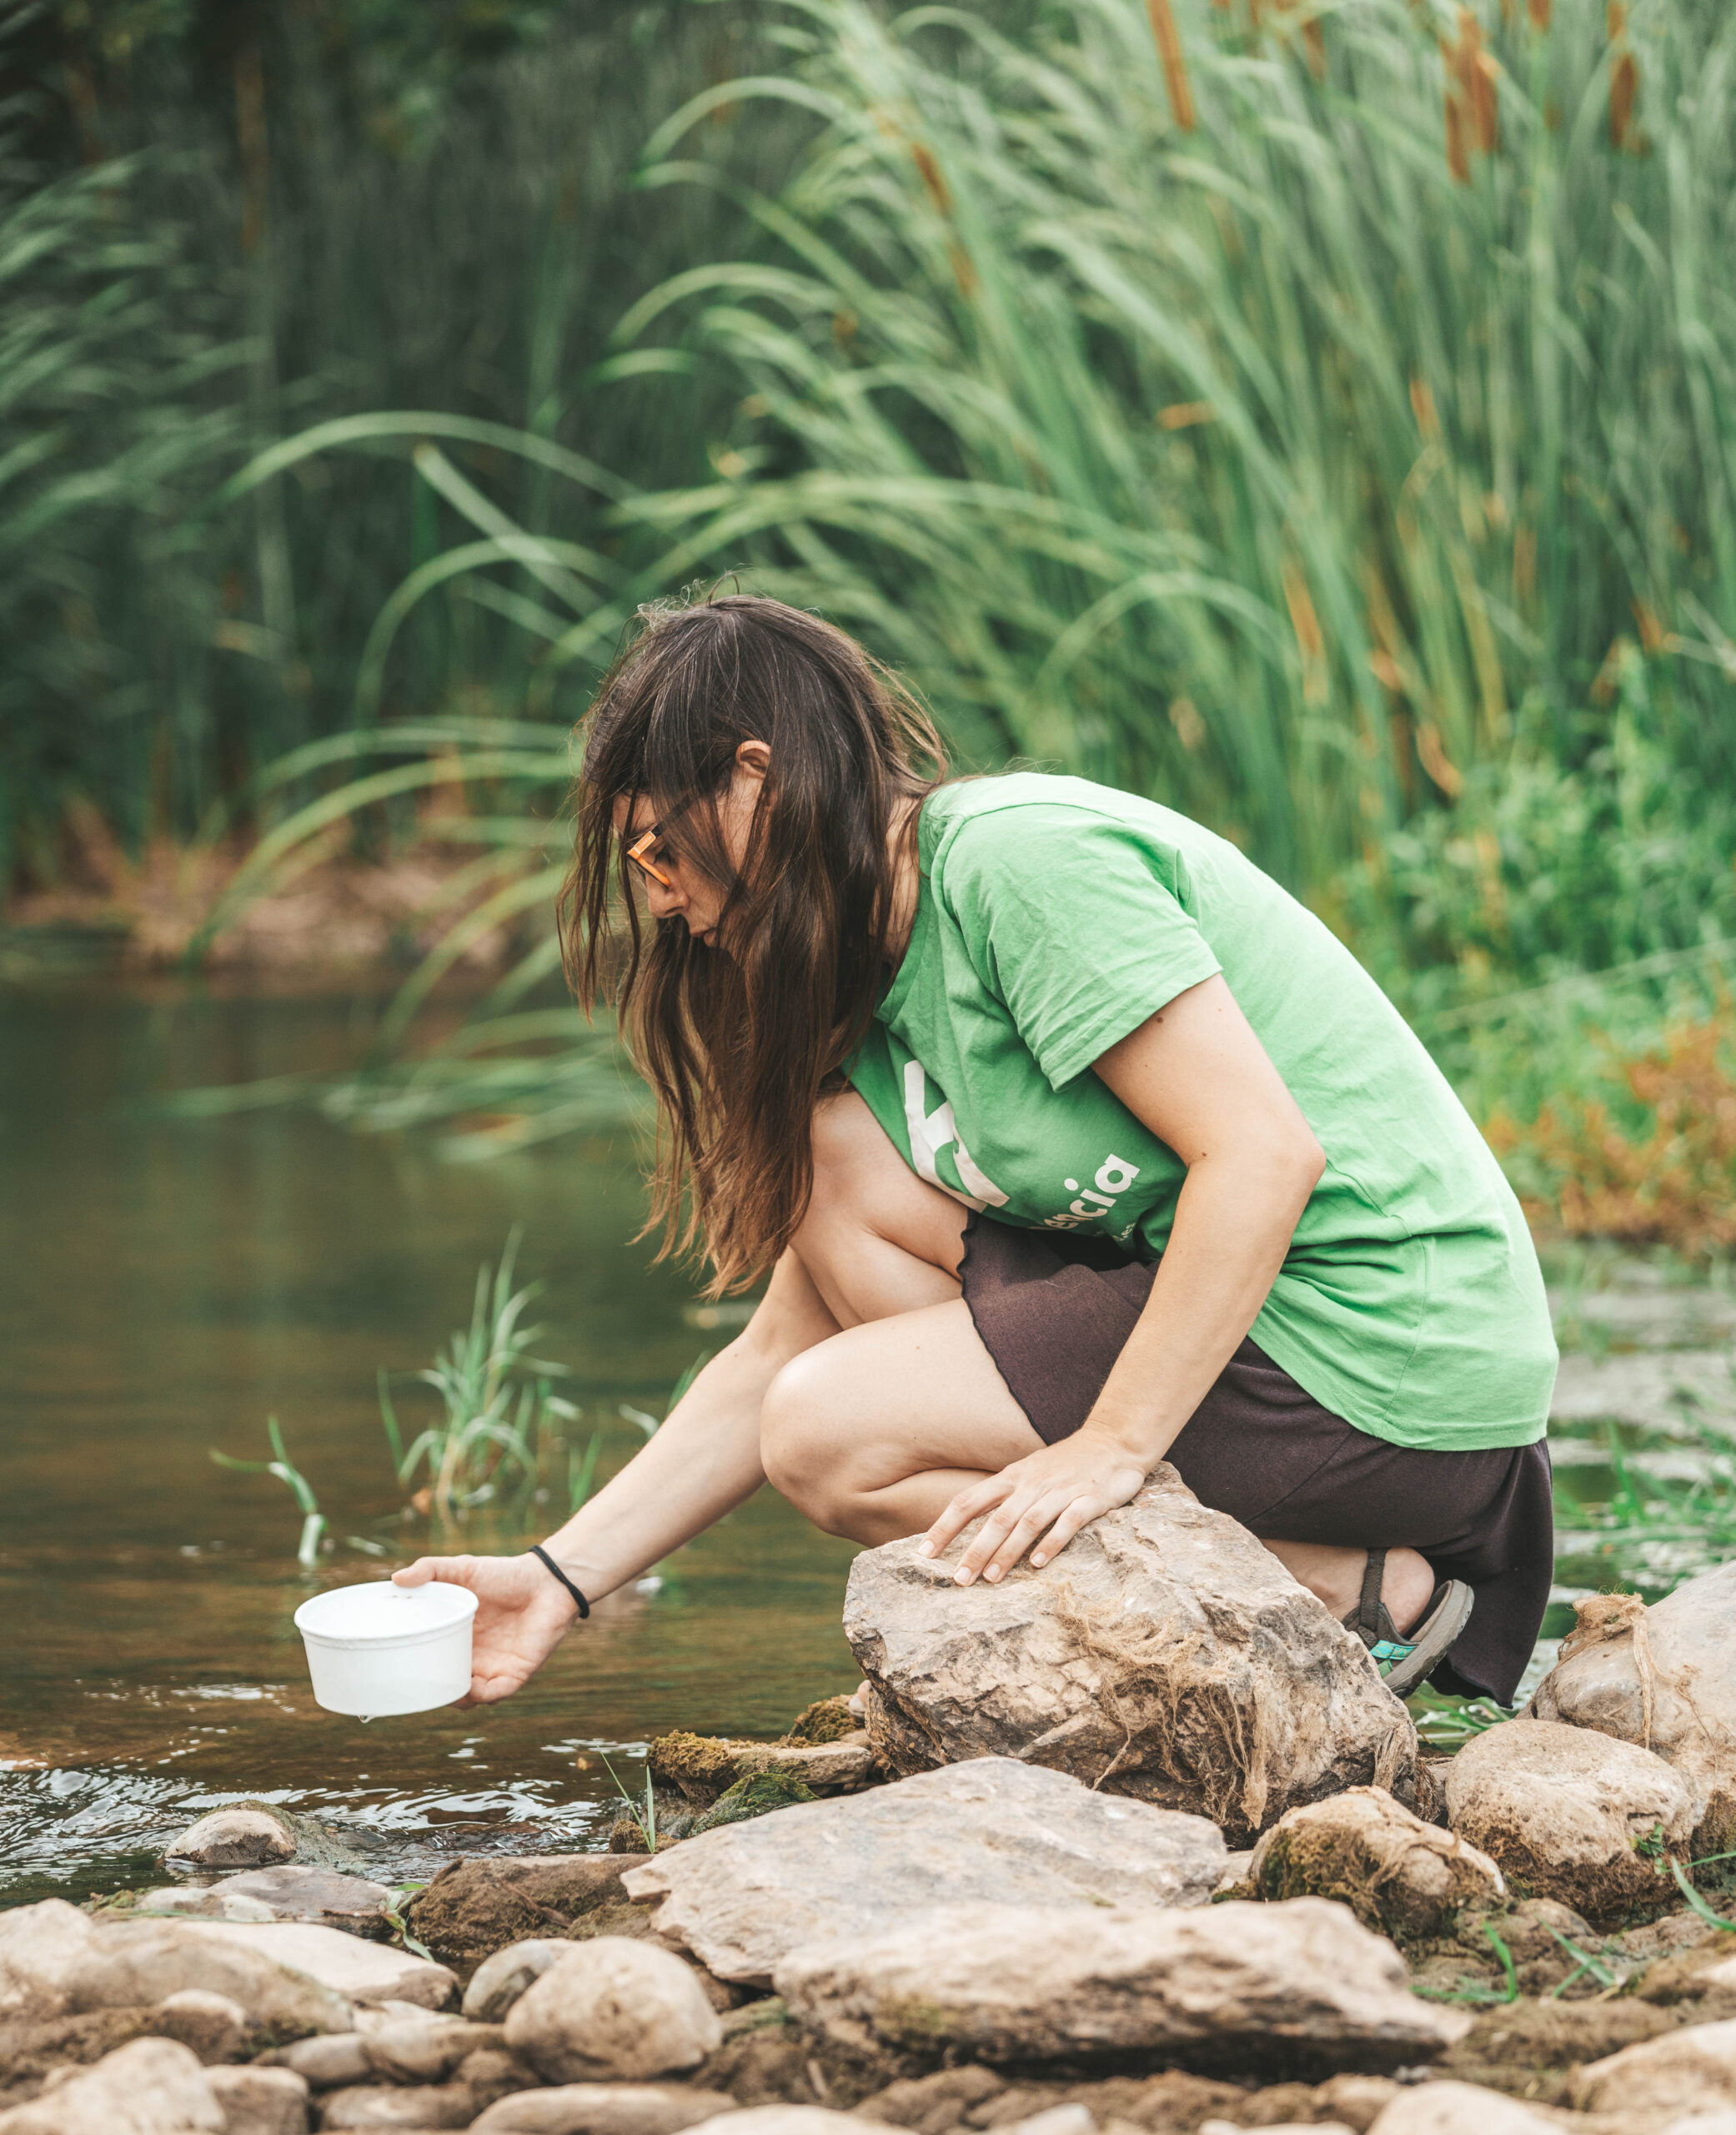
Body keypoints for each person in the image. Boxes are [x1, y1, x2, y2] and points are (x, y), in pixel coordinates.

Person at [395, 592, 1555, 1711]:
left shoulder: (1016, 864)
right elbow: (777, 1347)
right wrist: (559, 1579)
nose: (657, 901)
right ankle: (1341, 1579)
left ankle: (1342, 1590)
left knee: (831, 1438)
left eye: (661, 854)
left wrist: (1111, 1446)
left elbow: (1261, 1157)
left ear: (756, 779)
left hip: (1386, 1349)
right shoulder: (871, 976)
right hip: (1265, 1348)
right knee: (832, 1182)